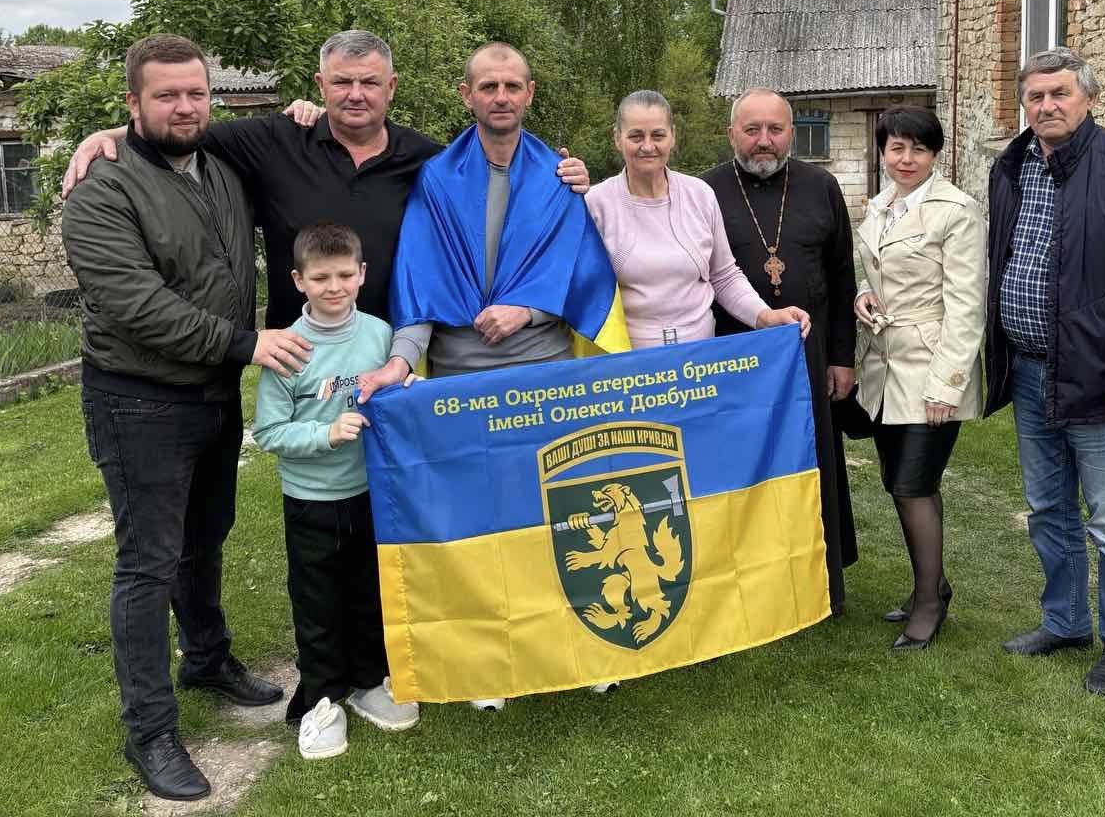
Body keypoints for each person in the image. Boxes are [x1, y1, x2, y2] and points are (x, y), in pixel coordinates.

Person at [62, 34, 303, 803]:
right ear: (131, 103)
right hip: (139, 397)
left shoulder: (223, 166)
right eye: (166, 95)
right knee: (148, 563)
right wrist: (245, 342)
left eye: (196, 93)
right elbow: (134, 306)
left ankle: (206, 658)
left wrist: (303, 112)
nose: (184, 106)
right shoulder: (103, 187)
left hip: (212, 394)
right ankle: (151, 731)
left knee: (207, 536)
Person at [358, 42, 622, 710]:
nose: (500, 96)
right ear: (465, 94)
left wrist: (527, 306)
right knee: (480, 520)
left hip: (543, 369)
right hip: (461, 373)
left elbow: (580, 269)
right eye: (487, 86)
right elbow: (418, 278)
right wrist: (399, 357)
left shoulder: (559, 176)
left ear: (530, 93)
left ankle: (578, 644)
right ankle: (489, 663)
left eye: (511, 85)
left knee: (562, 512)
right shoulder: (437, 178)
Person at [61, 30, 589, 328]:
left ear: (392, 87)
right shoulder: (273, 140)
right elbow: (184, 125)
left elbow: (503, 188)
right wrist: (112, 132)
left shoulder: (428, 161)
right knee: (314, 504)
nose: (355, 94)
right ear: (321, 84)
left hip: (394, 347)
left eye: (369, 82)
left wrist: (566, 174)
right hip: (301, 354)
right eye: (341, 82)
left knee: (394, 506)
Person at [986, 47, 1105, 696]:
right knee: (1047, 509)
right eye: (1035, 96)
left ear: (1088, 99)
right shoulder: (1011, 166)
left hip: (1102, 379)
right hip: (1031, 372)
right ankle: (1066, 621)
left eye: (1059, 94)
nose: (1046, 105)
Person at [252, 223, 421, 760]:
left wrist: (406, 389)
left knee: (371, 589)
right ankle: (323, 698)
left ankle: (373, 681)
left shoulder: (378, 335)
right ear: (297, 280)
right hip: (311, 500)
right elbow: (269, 432)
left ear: (362, 274)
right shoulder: (287, 348)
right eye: (320, 277)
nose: (334, 286)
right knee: (318, 600)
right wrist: (326, 433)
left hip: (372, 493)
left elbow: (393, 393)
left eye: (345, 275)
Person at [703, 88, 859, 616]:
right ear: (732, 135)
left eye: (775, 129)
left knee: (812, 461)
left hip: (808, 355)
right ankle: (746, 583)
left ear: (791, 133)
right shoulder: (706, 191)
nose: (764, 141)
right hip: (733, 354)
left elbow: (841, 275)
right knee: (743, 468)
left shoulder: (822, 186)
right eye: (752, 130)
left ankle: (821, 578)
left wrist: (843, 356)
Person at [853, 107, 985, 651]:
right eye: (896, 149)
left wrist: (946, 386)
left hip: (931, 369)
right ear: (882, 152)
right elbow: (870, 266)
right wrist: (861, 291)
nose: (906, 160)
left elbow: (967, 306)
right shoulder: (880, 206)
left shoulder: (956, 211)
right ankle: (930, 584)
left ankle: (930, 603)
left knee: (914, 485)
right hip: (885, 369)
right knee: (894, 481)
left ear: (936, 155)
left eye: (919, 150)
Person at [584, 90, 810, 348]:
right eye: (636, 136)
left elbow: (724, 276)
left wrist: (765, 316)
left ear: (672, 137)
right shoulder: (595, 205)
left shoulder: (700, 194)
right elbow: (584, 293)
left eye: (658, 135)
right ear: (617, 138)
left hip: (700, 362)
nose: (648, 146)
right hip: (630, 364)